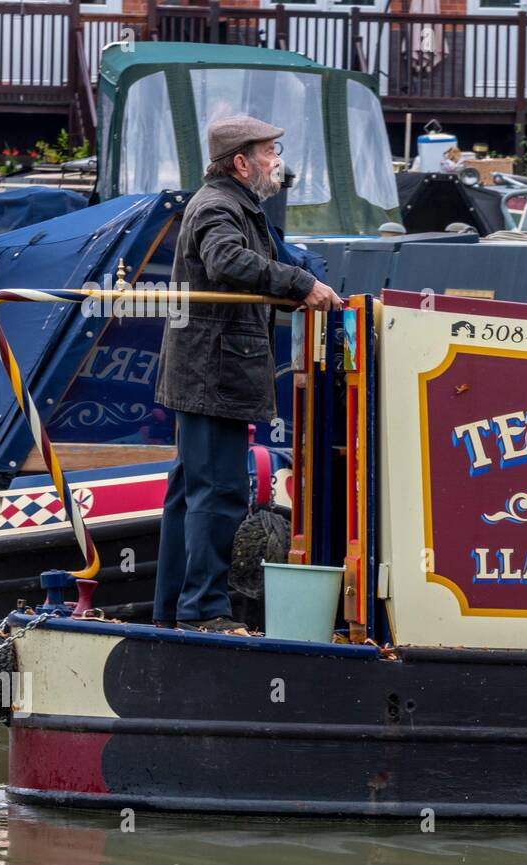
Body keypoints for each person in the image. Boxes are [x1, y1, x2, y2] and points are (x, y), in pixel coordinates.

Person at [152, 115, 343, 633]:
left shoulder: (233, 205)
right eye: (269, 152)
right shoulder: (219, 206)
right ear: (241, 162)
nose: (277, 161)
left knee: (190, 490)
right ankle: (204, 613)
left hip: (206, 370)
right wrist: (301, 284)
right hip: (215, 372)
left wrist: (298, 283)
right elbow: (224, 261)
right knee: (220, 492)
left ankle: (171, 611)